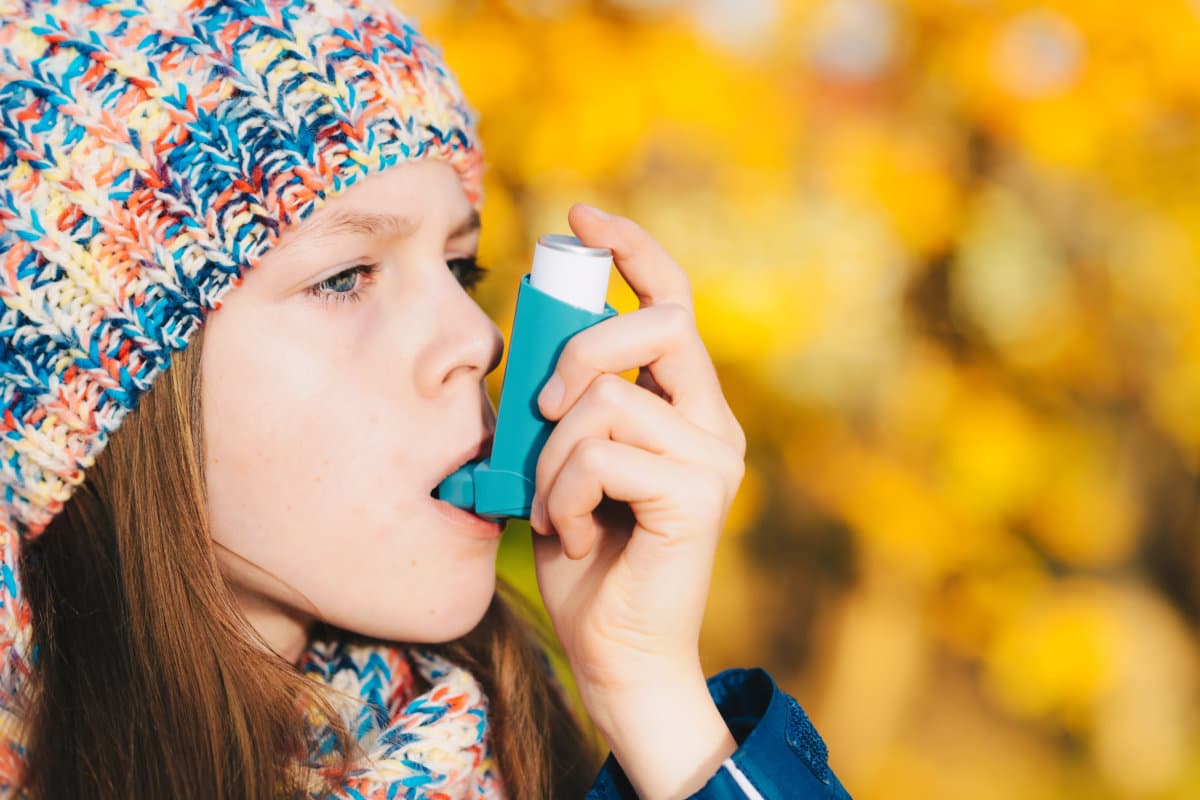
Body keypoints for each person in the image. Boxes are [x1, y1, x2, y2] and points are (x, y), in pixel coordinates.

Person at [0, 0, 853, 797]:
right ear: (83, 397)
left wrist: (648, 691)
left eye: (459, 270)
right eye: (344, 277)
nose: (479, 342)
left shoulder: (507, 749)